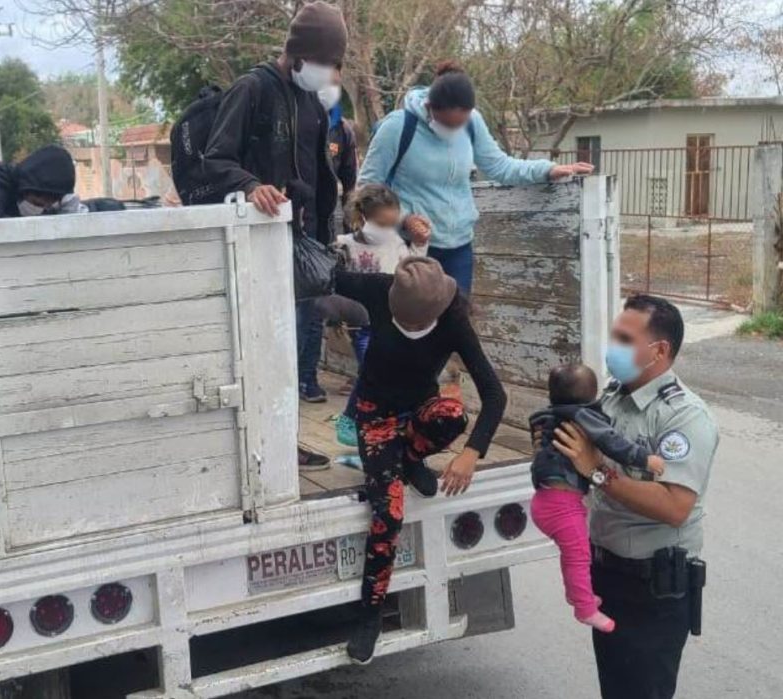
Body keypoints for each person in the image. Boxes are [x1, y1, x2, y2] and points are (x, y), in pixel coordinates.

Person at [334, 257, 507, 664]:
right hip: (376, 415)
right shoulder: (380, 289)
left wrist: (471, 453)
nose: (409, 328)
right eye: (402, 322)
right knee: (389, 513)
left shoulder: (453, 320)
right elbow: (323, 274)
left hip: (418, 411)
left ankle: (411, 457)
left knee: (453, 414)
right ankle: (370, 615)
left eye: (417, 324)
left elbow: (495, 395)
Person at [202, 0, 347, 469]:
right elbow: (215, 159)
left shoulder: (311, 102)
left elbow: (320, 176)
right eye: (322, 61)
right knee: (259, 350)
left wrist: (325, 236)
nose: (327, 72)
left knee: (290, 353)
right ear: (298, 53)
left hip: (300, 248)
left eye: (333, 64)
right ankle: (256, 448)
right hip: (254, 247)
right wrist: (251, 186)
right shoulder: (252, 89)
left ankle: (285, 443)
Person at [552, 295, 718, 699]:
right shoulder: (612, 397)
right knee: (616, 689)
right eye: (614, 336)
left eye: (625, 339)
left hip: (653, 590)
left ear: (659, 351)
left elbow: (675, 506)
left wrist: (596, 471)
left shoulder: (683, 416)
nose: (613, 347)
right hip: (609, 577)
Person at [358, 61, 593, 294]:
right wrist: (403, 219)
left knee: (459, 316)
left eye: (459, 126)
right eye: (446, 124)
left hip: (459, 247)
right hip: (411, 248)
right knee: (415, 317)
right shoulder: (397, 127)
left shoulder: (473, 122)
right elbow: (366, 187)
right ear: (429, 106)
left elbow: (499, 165)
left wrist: (547, 170)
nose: (452, 132)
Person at [529, 362, 665, 634]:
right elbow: (612, 443)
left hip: (544, 500)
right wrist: (644, 459)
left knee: (572, 555)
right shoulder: (583, 416)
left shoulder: (547, 415)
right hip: (562, 506)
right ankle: (585, 609)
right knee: (579, 557)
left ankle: (577, 594)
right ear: (590, 396)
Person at [333, 184, 428, 447]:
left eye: (391, 224)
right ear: (363, 216)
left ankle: (384, 423)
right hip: (362, 323)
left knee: (381, 373)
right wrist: (336, 317)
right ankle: (354, 420)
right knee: (373, 372)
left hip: (392, 322)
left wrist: (420, 244)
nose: (386, 230)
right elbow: (334, 286)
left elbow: (413, 269)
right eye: (381, 224)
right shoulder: (344, 246)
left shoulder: (396, 243)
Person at [319, 80, 358, 234]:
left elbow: (350, 182)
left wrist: (350, 229)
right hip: (298, 208)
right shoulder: (295, 121)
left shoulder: (343, 130)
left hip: (330, 208)